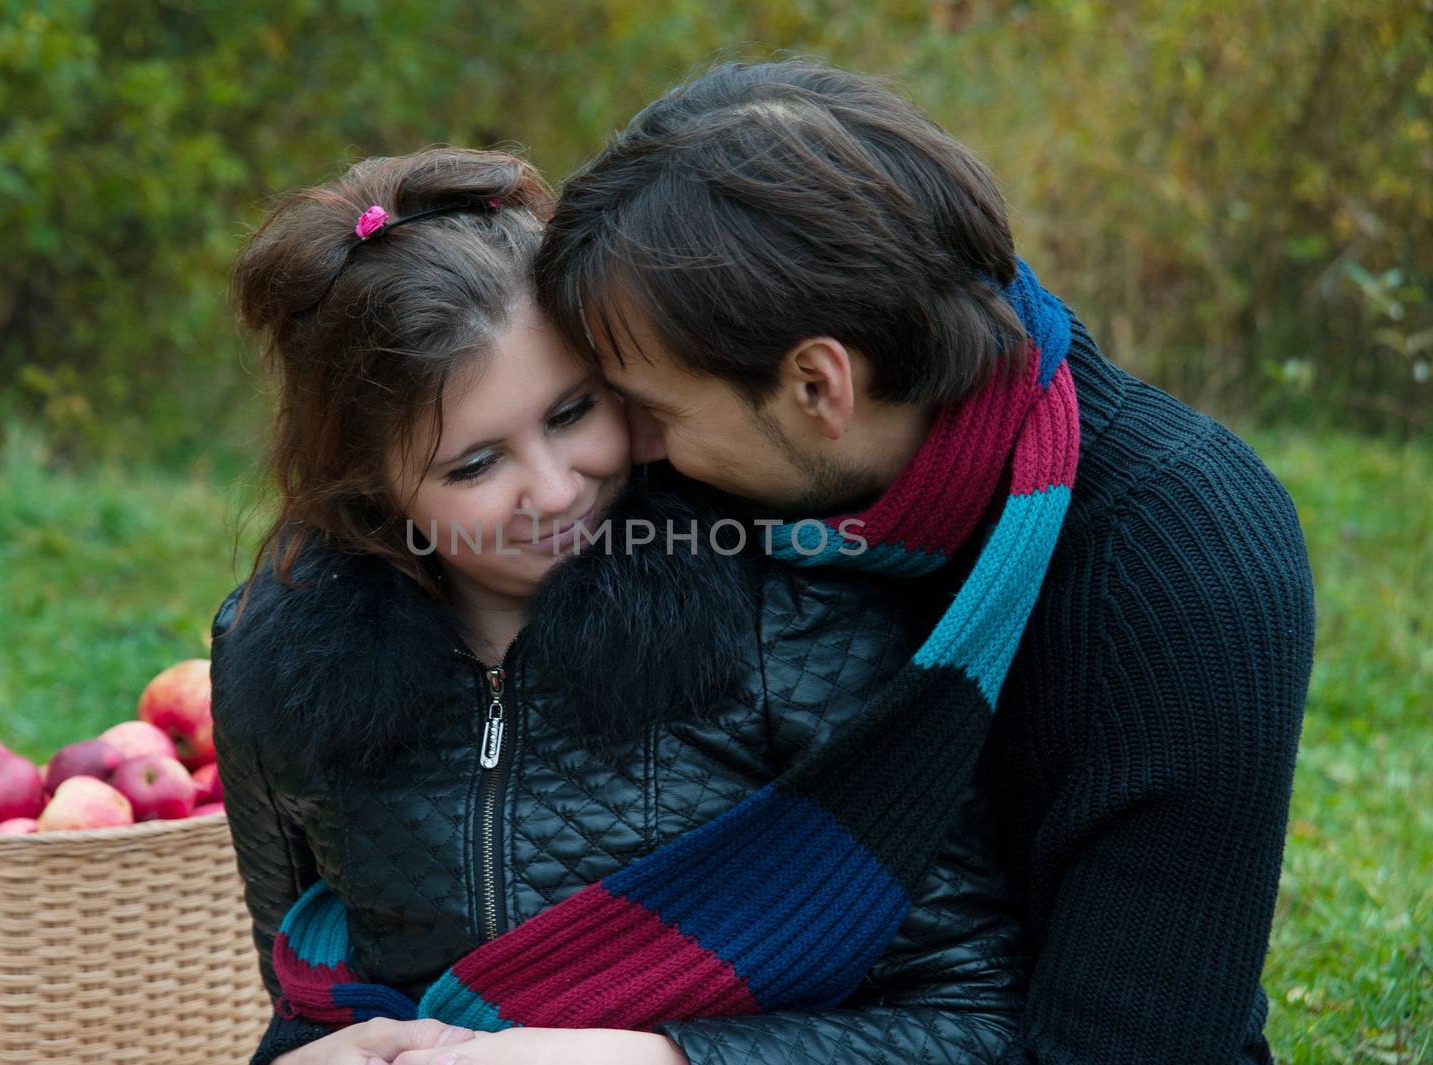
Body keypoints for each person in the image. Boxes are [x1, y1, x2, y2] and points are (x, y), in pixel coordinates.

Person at [534, 59, 1316, 1065]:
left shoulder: (1180, 565)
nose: (624, 453)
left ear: (819, 385)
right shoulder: (742, 498)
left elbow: (1127, 1045)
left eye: (654, 411)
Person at [212, 146, 1030, 1065]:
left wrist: (651, 1058)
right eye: (477, 465)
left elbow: (976, 1023)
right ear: (371, 492)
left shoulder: (792, 620)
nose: (558, 490)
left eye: (573, 413)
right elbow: (303, 1001)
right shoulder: (272, 656)